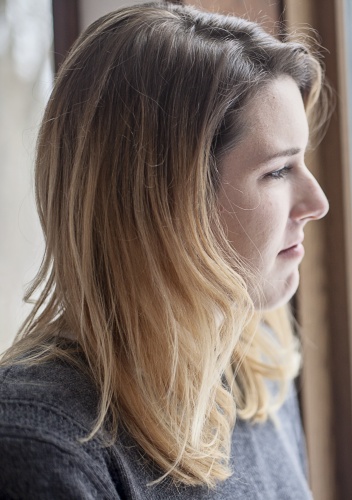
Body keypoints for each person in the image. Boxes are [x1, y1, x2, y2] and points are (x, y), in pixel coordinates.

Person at [0, 2, 330, 498]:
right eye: (278, 171)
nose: (317, 203)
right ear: (166, 205)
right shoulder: (38, 444)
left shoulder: (257, 375)